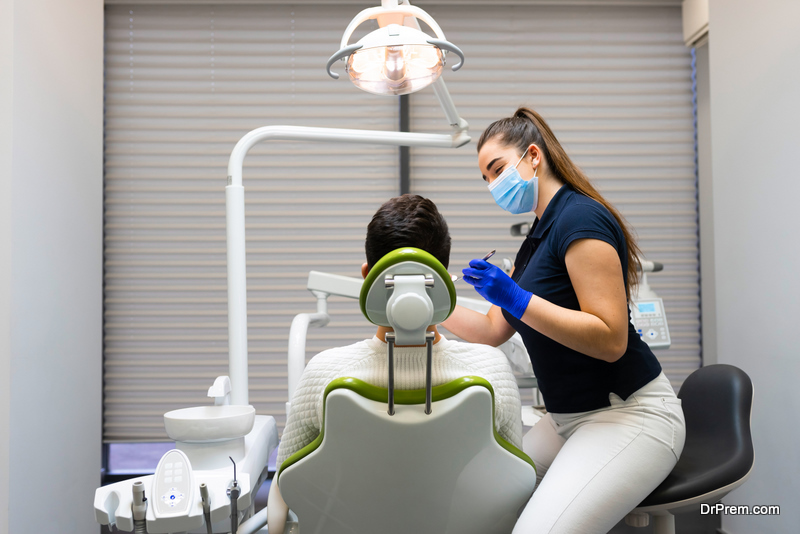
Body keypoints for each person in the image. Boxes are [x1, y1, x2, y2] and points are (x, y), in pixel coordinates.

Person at [442, 107, 686, 534]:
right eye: (485, 178)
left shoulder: (580, 218)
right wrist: (433, 302)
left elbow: (611, 340)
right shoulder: (534, 240)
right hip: (566, 420)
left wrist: (516, 297)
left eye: (497, 169)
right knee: (468, 506)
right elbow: (491, 331)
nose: (493, 185)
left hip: (627, 415)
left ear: (533, 156)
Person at [268, 194, 523, 533]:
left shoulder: (324, 374)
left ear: (366, 276)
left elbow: (284, 487)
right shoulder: (491, 373)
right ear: (443, 281)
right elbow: (513, 484)